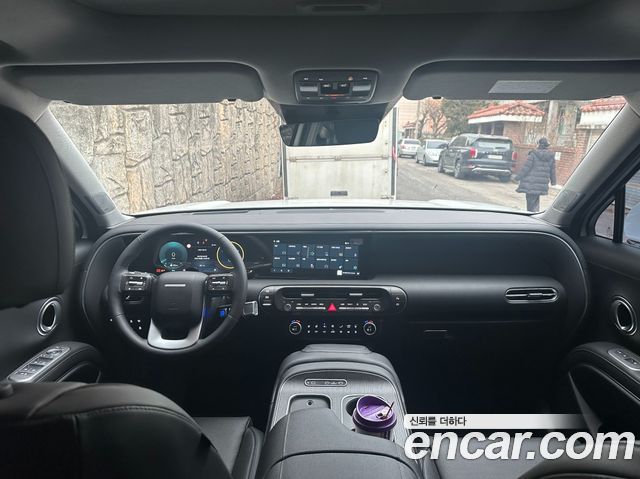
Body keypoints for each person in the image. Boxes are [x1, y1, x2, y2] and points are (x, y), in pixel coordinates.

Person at [515, 137, 557, 212]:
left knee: (530, 202)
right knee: (535, 200)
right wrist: (553, 181)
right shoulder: (551, 156)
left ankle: (531, 215)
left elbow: (526, 168)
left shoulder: (533, 154)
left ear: (539, 144)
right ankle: (535, 213)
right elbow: (552, 170)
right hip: (541, 184)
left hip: (531, 183)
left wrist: (518, 177)